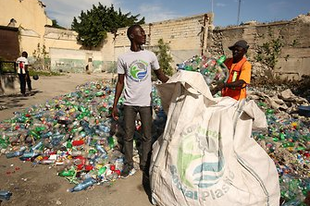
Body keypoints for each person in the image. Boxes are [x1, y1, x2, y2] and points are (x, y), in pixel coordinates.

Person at [112, 24, 169, 178]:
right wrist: (115, 104)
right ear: (132, 36)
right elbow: (120, 82)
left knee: (147, 135)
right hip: (129, 103)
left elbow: (161, 76)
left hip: (146, 103)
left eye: (144, 33)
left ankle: (144, 163)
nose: (144, 35)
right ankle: (128, 163)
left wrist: (178, 81)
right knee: (128, 135)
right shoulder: (123, 58)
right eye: (141, 33)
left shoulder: (150, 55)